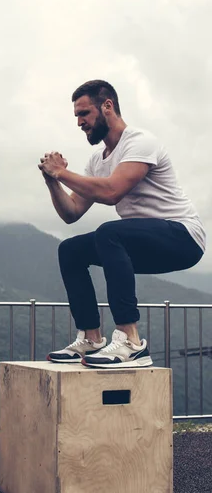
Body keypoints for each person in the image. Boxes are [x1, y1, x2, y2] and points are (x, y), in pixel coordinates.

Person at [39, 80, 205, 368]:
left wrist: (63, 172)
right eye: (76, 116)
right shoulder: (97, 160)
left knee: (109, 233)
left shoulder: (140, 142)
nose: (80, 122)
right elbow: (72, 212)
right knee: (70, 249)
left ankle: (131, 341)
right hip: (141, 241)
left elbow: (111, 191)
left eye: (84, 114)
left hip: (183, 237)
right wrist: (53, 181)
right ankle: (91, 338)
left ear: (107, 106)